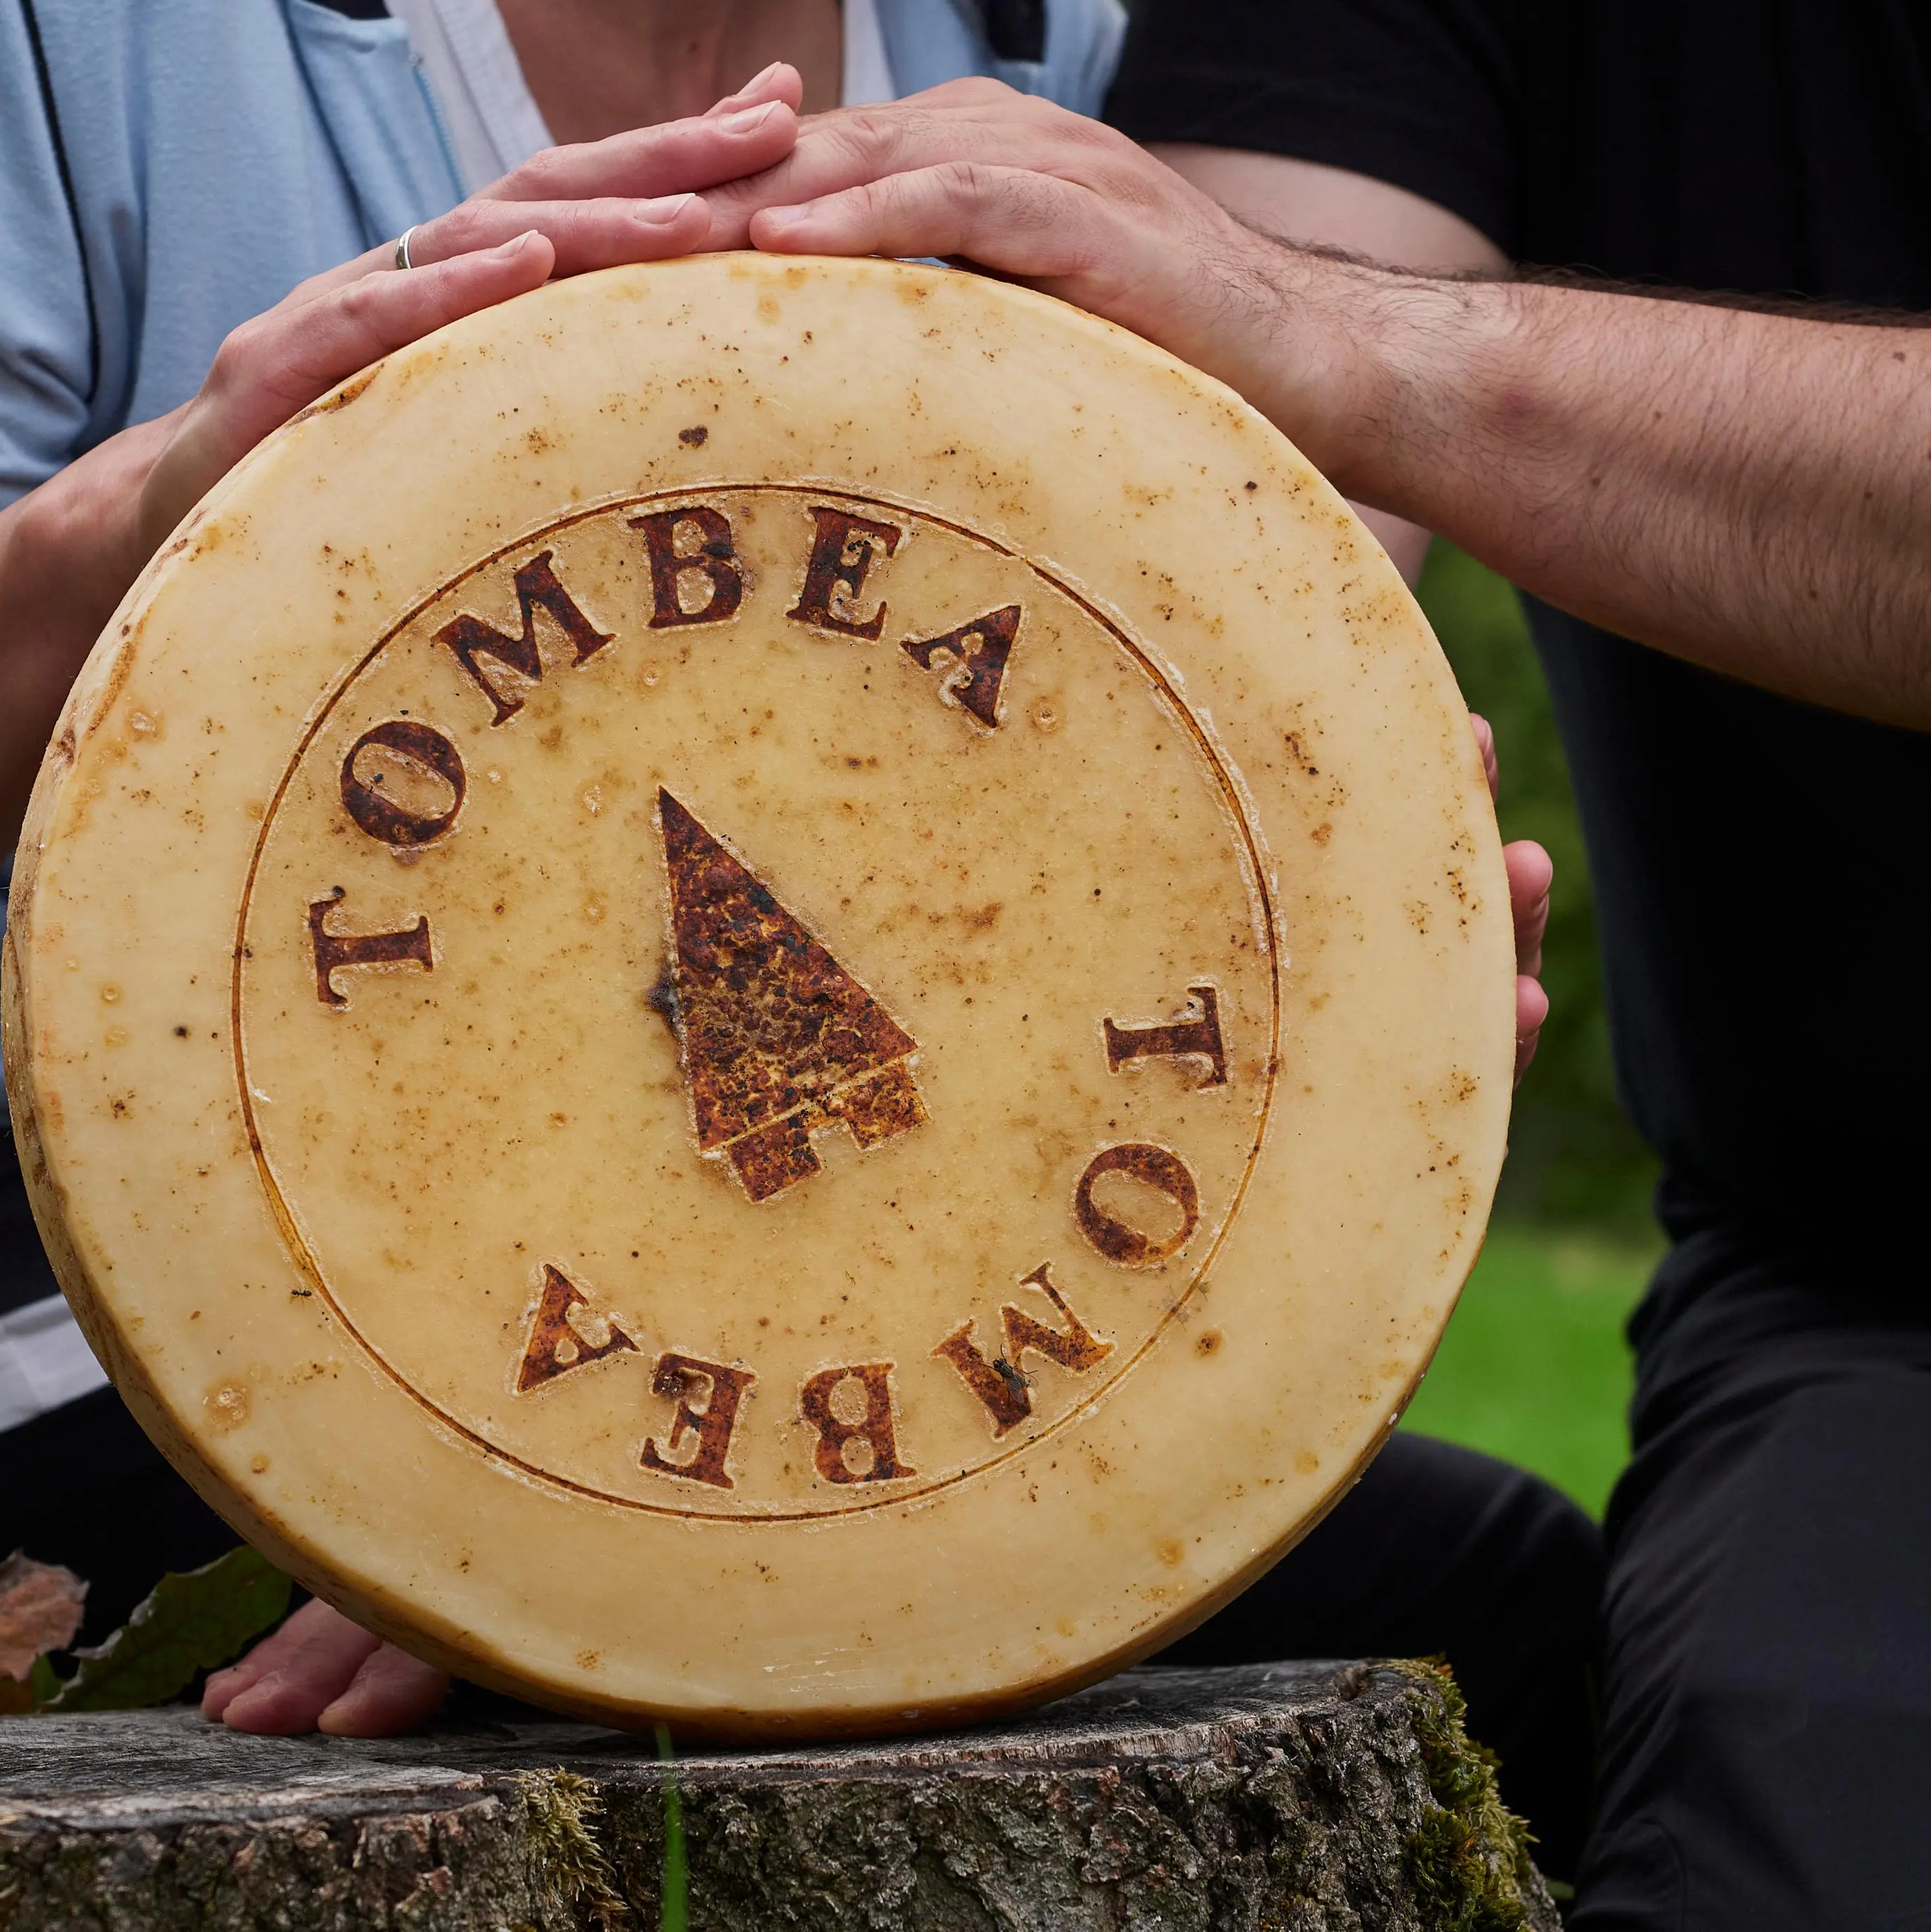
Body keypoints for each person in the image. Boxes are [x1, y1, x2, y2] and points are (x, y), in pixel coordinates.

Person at [0, 0, 1589, 1847]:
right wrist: (144, 520)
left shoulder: (1039, 55)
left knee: (1518, 1615)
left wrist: (1334, 998)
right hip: (15, 1341)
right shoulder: (51, 34)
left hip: (814, 1368)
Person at [641, 35, 1930, 1926]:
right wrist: (570, 1483)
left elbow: (1301, 333)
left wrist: (1381, 359)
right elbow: (1167, 521)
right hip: (1875, 1298)